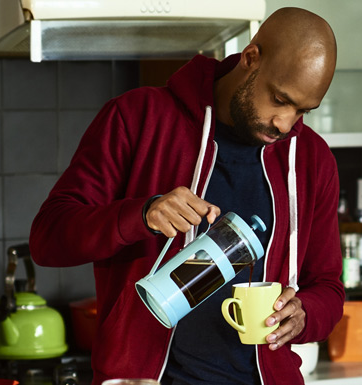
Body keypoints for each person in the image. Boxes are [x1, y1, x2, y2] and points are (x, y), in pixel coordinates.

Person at [29, 8, 343, 385]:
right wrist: (141, 215)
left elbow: (327, 286)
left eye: (302, 110)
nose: (285, 123)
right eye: (279, 99)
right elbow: (47, 239)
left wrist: (305, 314)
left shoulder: (312, 159)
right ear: (251, 58)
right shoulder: (137, 118)